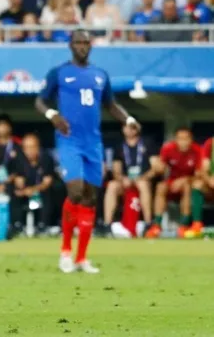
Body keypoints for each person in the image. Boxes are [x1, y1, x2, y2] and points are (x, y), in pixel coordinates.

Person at [35, 29, 140, 274]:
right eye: (78, 42)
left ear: (90, 46)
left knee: (91, 197)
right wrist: (53, 115)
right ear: (70, 45)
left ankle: (82, 257)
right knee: (75, 191)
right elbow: (40, 101)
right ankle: (65, 252)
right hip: (69, 141)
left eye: (86, 42)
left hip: (93, 144)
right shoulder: (59, 73)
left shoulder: (100, 75)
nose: (83, 46)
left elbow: (111, 105)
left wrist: (129, 120)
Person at [146, 127, 202, 238]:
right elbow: (160, 168)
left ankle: (184, 225)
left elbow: (199, 175)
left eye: (186, 139)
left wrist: (185, 180)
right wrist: (158, 167)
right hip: (172, 183)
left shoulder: (197, 150)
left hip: (188, 182)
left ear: (191, 139)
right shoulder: (168, 149)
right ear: (175, 140)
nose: (183, 142)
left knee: (186, 186)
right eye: (180, 139)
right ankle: (157, 225)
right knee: (161, 186)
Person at [102, 123, 158, 235]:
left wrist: (142, 177)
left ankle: (148, 223)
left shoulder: (147, 143)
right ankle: (107, 224)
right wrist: (123, 179)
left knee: (142, 184)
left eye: (133, 127)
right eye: (127, 127)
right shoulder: (119, 145)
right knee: (112, 185)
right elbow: (116, 170)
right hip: (125, 182)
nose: (130, 130)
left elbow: (156, 167)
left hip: (143, 180)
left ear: (138, 128)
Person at [9, 133, 57, 237]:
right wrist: (20, 187)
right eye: (26, 148)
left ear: (38, 147)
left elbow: (46, 183)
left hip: (40, 191)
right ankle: (17, 225)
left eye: (32, 147)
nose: (29, 151)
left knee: (51, 191)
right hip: (24, 192)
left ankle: (43, 225)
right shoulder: (19, 159)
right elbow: (17, 179)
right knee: (12, 192)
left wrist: (32, 190)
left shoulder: (46, 158)